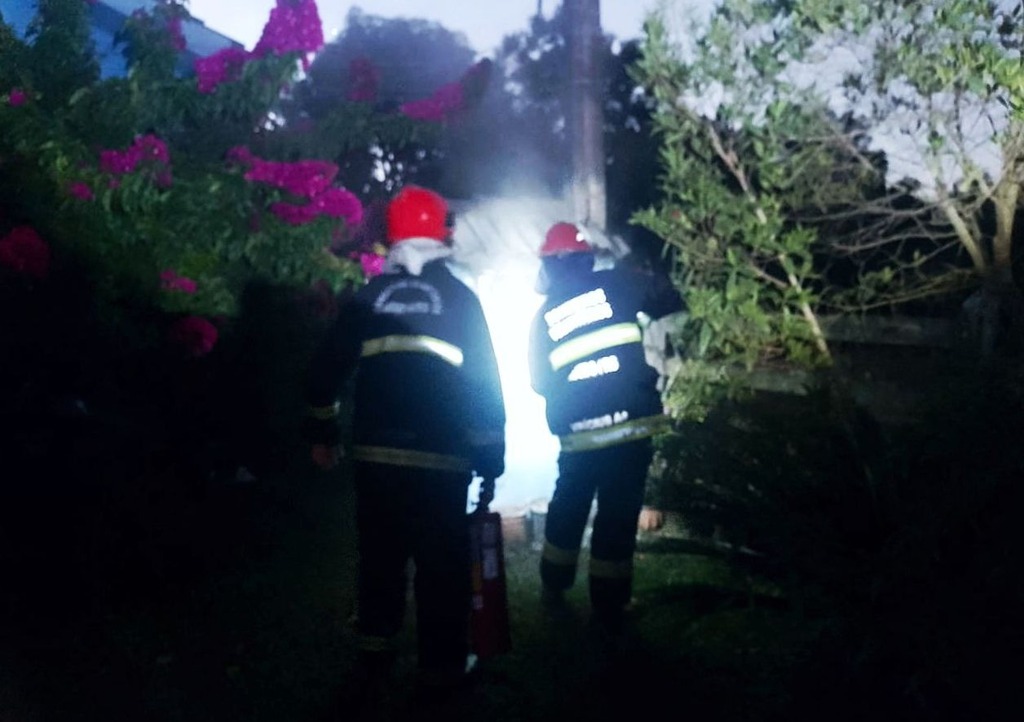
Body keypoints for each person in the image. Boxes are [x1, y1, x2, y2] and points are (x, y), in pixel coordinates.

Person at [305, 185, 506, 699]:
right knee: (442, 567)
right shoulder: (461, 301)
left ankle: (374, 658)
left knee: (380, 560)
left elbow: (324, 373)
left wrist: (323, 433)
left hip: (377, 459)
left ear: (391, 238)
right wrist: (490, 456)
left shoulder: (368, 298)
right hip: (441, 461)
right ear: (444, 236)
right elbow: (484, 384)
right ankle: (441, 670)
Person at [529, 221, 682, 635]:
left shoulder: (543, 318)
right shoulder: (618, 283)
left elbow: (539, 382)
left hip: (578, 433)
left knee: (569, 505)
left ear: (548, 266)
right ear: (587, 258)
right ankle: (609, 605)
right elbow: (668, 299)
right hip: (630, 427)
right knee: (617, 514)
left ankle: (553, 585)